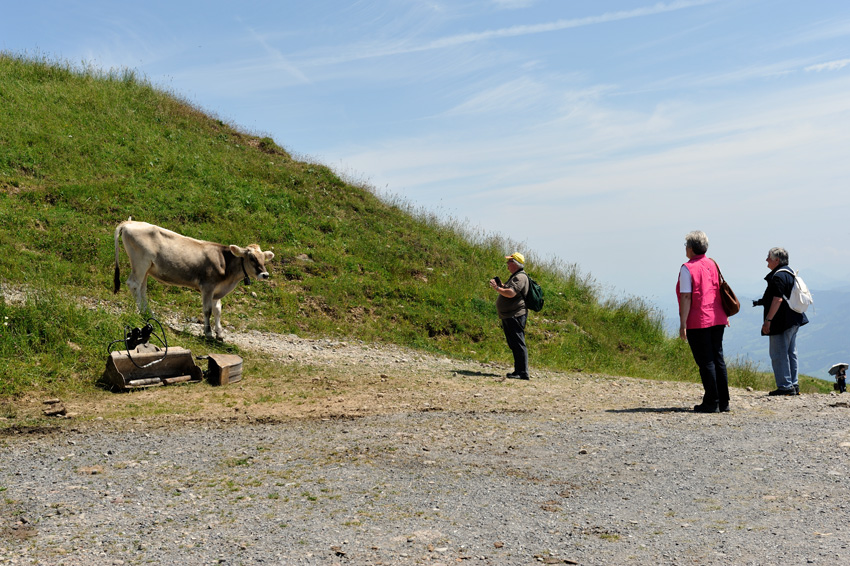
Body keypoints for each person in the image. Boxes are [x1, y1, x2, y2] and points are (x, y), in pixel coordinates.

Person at [676, 231, 730, 413]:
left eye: (686, 246)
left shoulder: (687, 268)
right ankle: (723, 402)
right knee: (718, 358)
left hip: (699, 320)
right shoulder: (712, 264)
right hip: (718, 317)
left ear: (690, 248)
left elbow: (686, 296)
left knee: (706, 361)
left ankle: (711, 402)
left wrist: (683, 324)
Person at [753, 247, 809, 396]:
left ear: (777, 260)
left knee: (778, 353)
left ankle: (785, 386)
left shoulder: (777, 276)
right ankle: (793, 384)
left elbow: (777, 299)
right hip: (795, 318)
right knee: (791, 352)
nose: (766, 260)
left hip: (781, 321)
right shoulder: (789, 273)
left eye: (769, 257)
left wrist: (768, 320)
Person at [490, 252, 530, 380]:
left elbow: (511, 293)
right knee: (514, 343)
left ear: (515, 264)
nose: (507, 264)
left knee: (518, 343)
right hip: (510, 315)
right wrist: (501, 286)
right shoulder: (516, 276)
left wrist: (497, 288)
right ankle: (518, 371)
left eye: (509, 262)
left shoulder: (520, 277)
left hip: (515, 315)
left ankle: (523, 372)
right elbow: (509, 290)